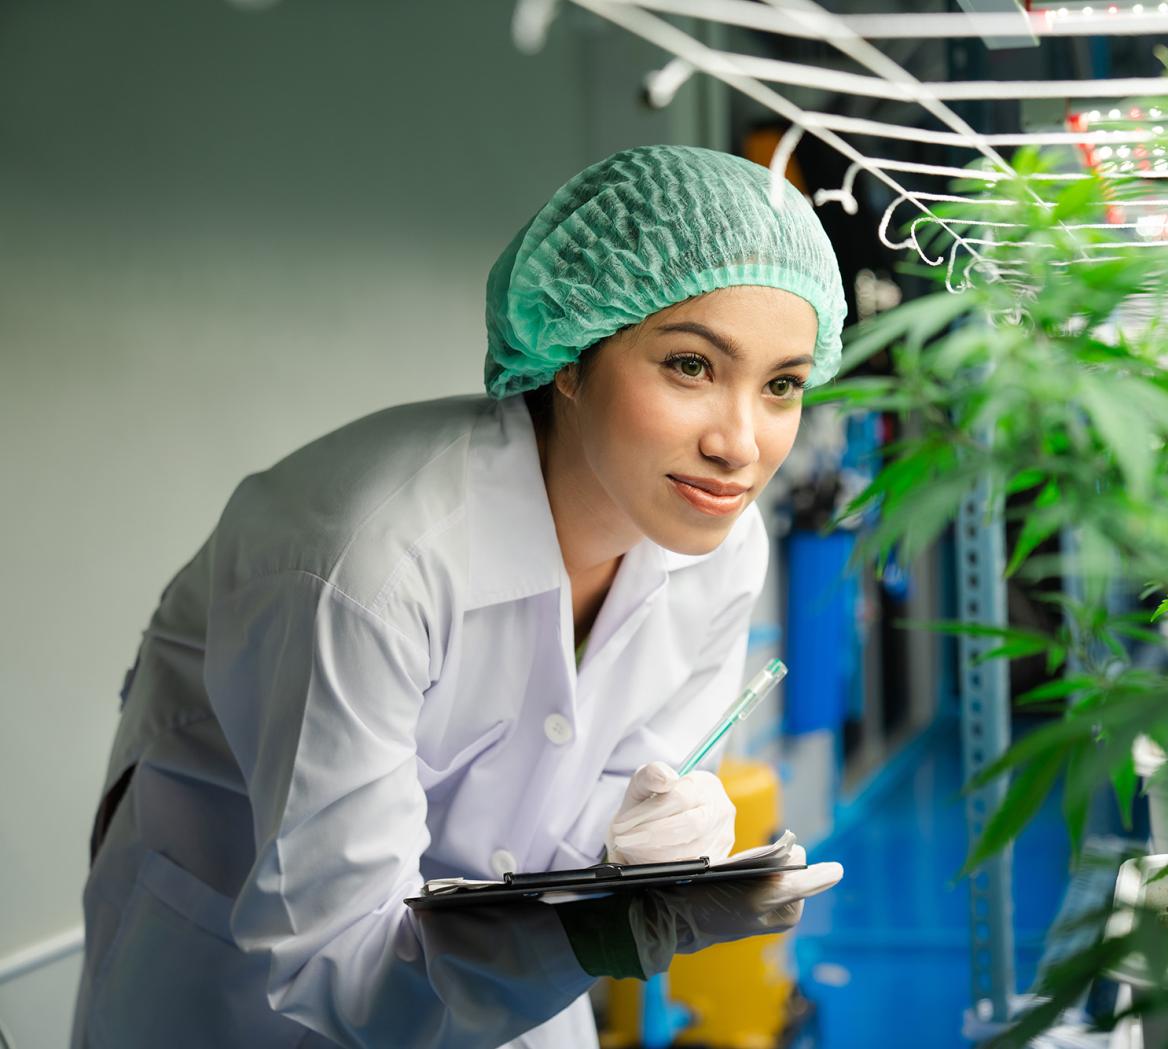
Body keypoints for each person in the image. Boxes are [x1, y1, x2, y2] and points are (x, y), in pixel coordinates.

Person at [72, 145, 848, 1049]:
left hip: (508, 976)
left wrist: (648, 854)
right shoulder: (371, 562)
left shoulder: (720, 549)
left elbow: (594, 830)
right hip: (243, 984)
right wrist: (606, 925)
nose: (741, 443)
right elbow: (342, 971)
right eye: (689, 365)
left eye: (783, 384)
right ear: (570, 354)